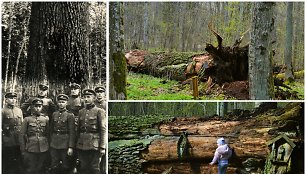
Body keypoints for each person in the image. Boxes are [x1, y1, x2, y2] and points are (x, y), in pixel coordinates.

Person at [76, 89, 106, 174]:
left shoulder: (99, 111)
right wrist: (76, 143)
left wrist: (102, 146)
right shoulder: (81, 111)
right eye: (84, 97)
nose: (86, 99)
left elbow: (103, 130)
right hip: (81, 144)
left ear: (94, 98)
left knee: (94, 168)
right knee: (83, 167)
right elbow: (78, 130)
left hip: (94, 144)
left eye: (88, 97)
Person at [19, 98, 49, 174]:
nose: (38, 108)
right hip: (31, 148)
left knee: (41, 168)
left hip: (43, 148)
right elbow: (22, 135)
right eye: (36, 106)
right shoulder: (27, 119)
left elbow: (48, 134)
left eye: (39, 106)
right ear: (32, 107)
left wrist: (48, 147)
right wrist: (23, 150)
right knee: (31, 169)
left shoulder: (45, 120)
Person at [49, 94, 75, 174]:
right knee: (54, 164)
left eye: (63, 102)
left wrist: (70, 146)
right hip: (54, 142)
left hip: (65, 143)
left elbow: (72, 132)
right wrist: (50, 142)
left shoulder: (70, 115)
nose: (61, 104)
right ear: (57, 103)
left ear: (66, 103)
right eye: (59, 102)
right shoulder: (54, 114)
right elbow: (51, 129)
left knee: (65, 164)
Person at [2, 92, 23, 174]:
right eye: (11, 98)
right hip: (8, 139)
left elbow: (21, 124)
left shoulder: (19, 110)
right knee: (8, 159)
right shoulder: (2, 111)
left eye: (14, 98)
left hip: (18, 138)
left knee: (18, 159)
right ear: (6, 100)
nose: (13, 100)